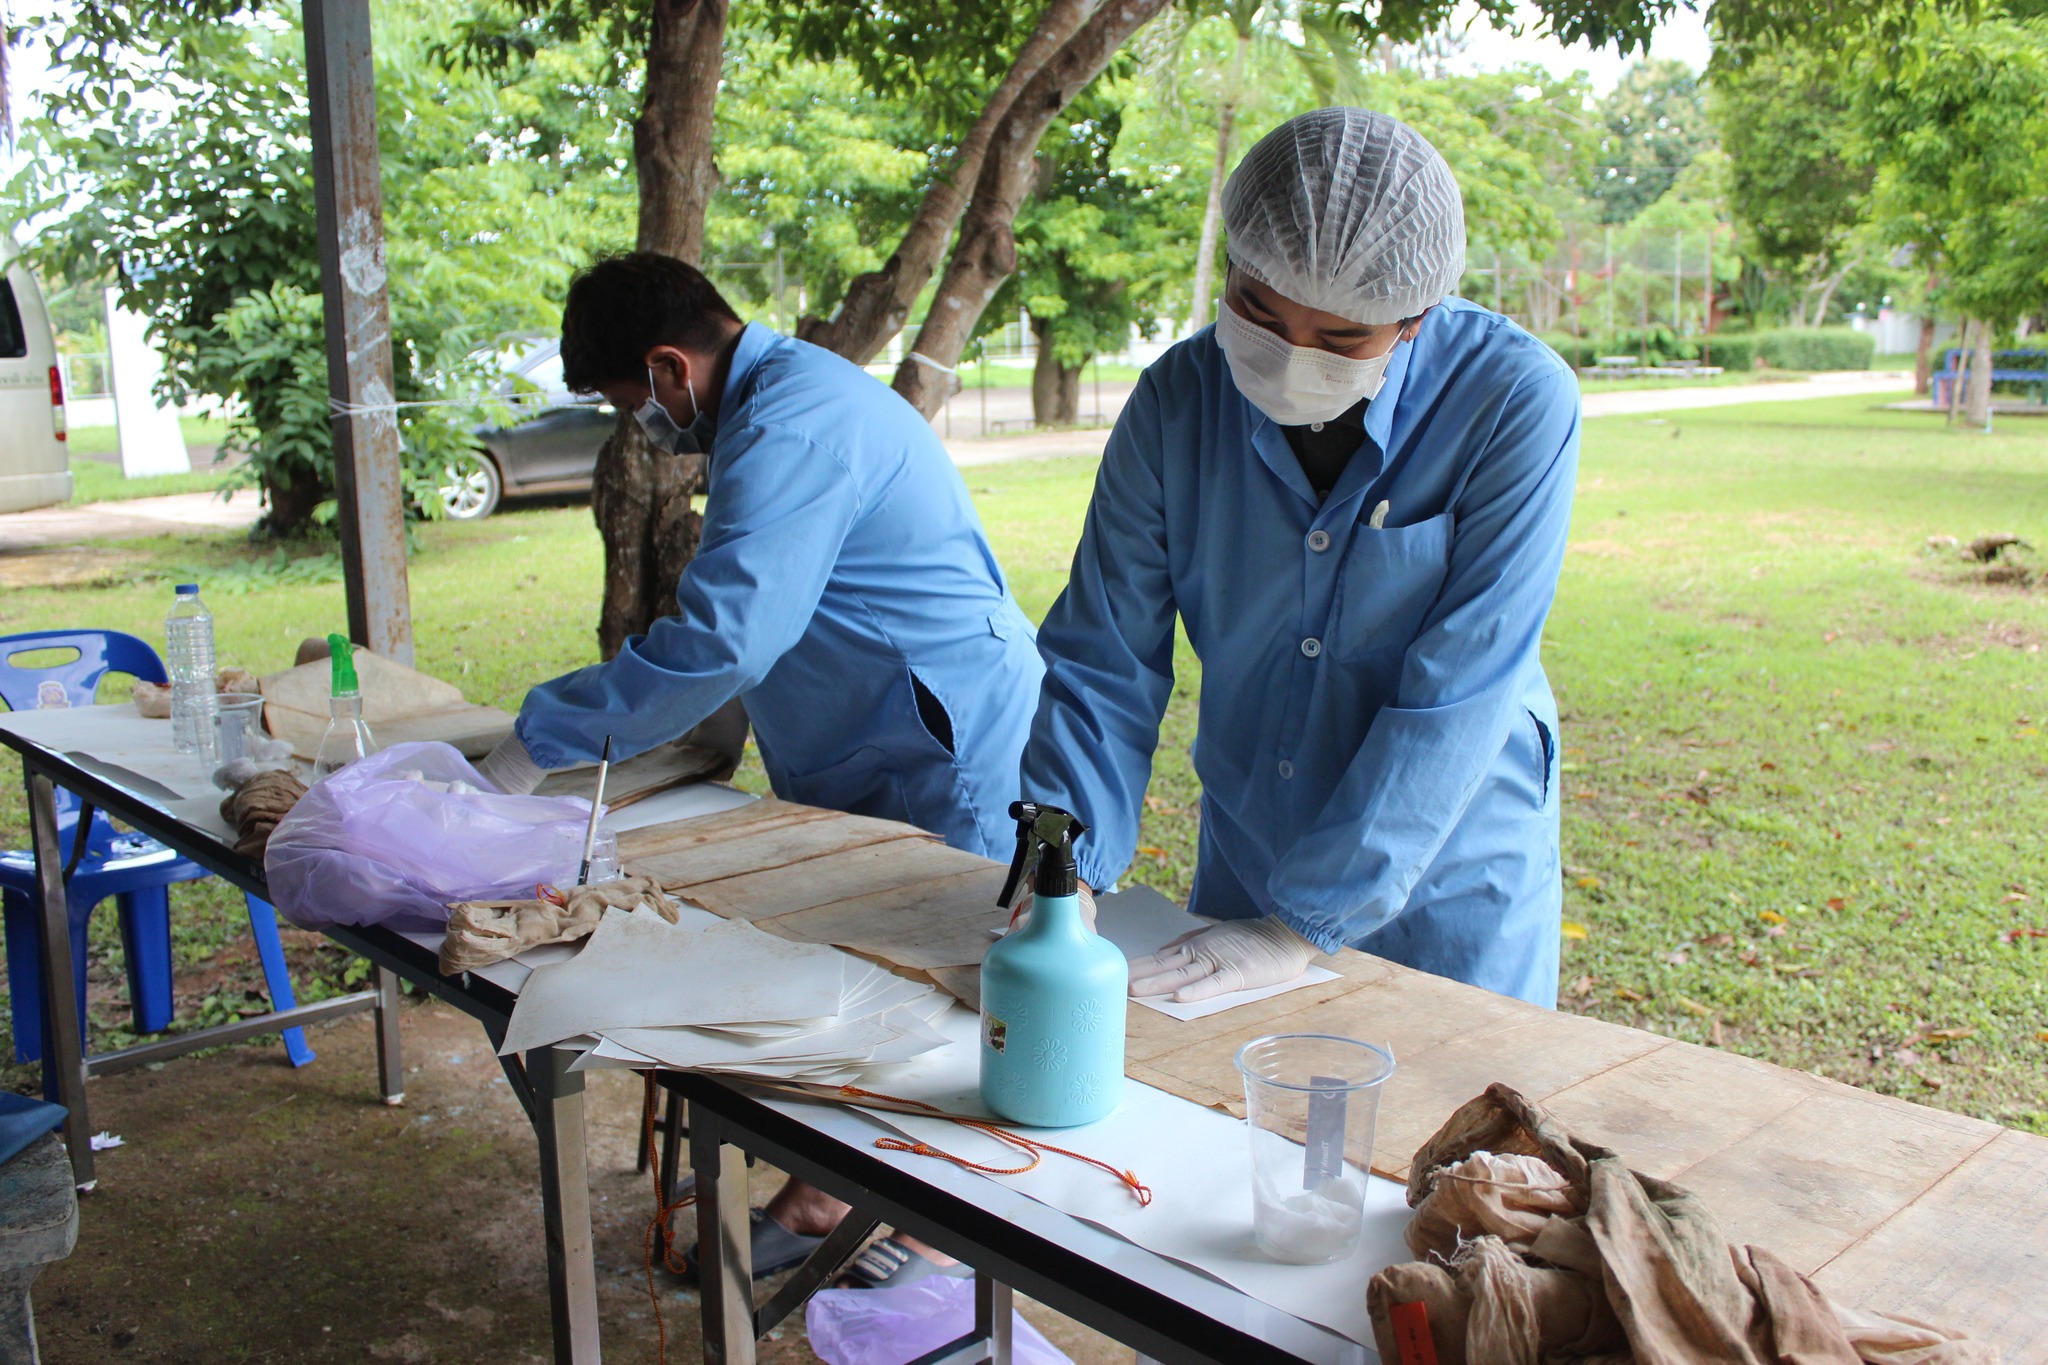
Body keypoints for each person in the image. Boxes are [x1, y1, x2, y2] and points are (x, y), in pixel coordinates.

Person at [478, 252, 1044, 1284]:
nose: (640, 424)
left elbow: (726, 638)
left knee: (943, 986)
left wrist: (543, 739)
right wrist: (698, 742)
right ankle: (831, 1186)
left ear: (668, 367)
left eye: (630, 404)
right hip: (863, 727)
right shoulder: (764, 409)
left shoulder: (795, 423)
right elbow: (765, 603)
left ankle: (927, 1221)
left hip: (940, 734)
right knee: (851, 969)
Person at [1021, 108, 1580, 1010]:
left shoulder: (1514, 402)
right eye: (1257, 310)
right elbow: (1102, 659)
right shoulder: (1176, 402)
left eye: (1341, 339)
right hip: (1253, 843)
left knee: (1444, 1094)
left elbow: (1464, 685)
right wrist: (1062, 865)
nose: (1288, 359)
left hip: (1452, 868)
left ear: (1415, 319)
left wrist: (1297, 928)